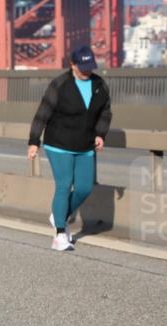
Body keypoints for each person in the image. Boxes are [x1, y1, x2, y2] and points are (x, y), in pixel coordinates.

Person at [27, 45, 111, 252]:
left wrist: (101, 133)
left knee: (84, 188)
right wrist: (34, 141)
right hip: (59, 143)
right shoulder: (60, 84)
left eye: (90, 66)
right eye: (82, 66)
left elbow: (105, 112)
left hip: (85, 144)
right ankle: (59, 235)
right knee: (64, 185)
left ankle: (58, 216)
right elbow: (42, 114)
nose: (86, 70)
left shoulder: (99, 84)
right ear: (72, 65)